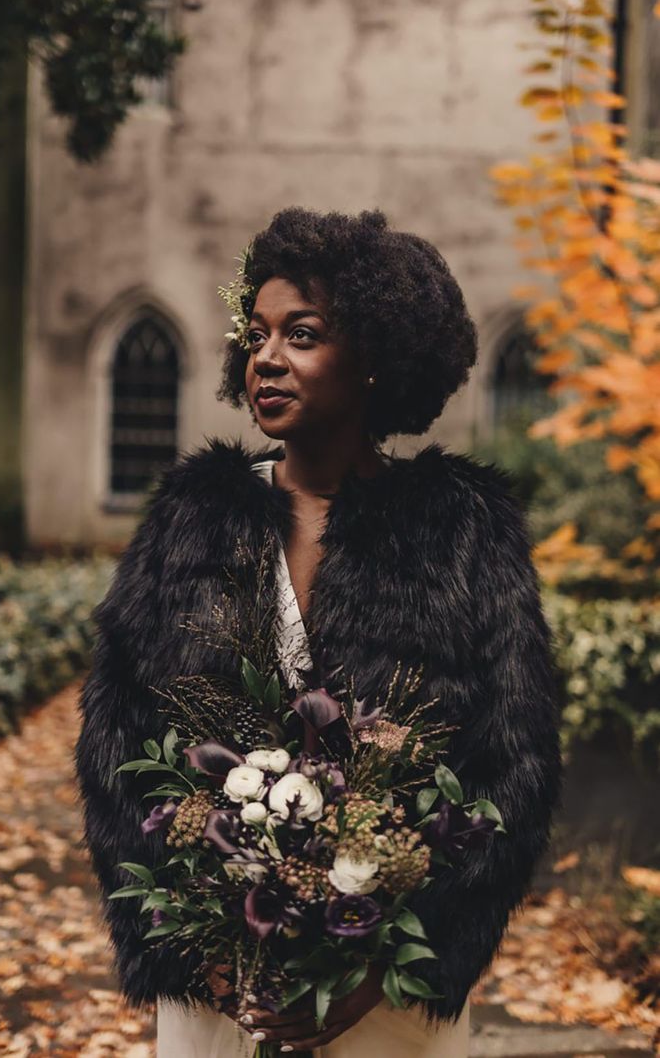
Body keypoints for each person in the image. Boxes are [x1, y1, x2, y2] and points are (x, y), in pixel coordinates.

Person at [74, 207, 562, 1057]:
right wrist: (199, 951)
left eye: (302, 334)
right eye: (256, 334)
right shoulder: (192, 521)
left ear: (373, 357)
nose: (267, 356)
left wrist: (379, 973)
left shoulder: (464, 534)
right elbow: (117, 748)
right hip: (218, 983)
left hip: (389, 993)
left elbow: (513, 768)